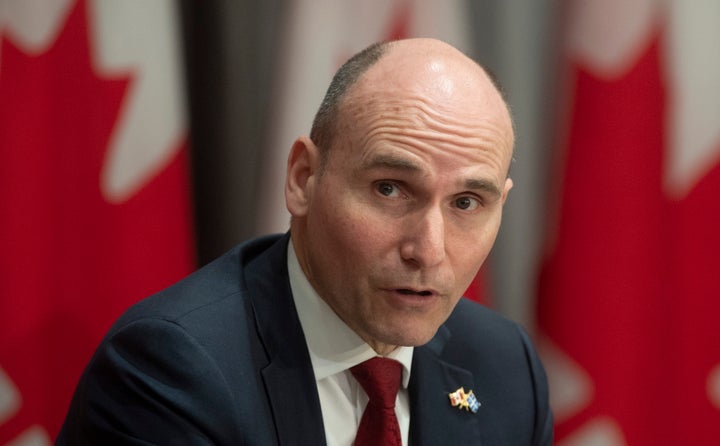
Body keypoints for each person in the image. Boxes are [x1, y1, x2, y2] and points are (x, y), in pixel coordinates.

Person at [57, 38, 553, 445]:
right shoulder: (170, 371)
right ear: (303, 178)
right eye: (389, 188)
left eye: (466, 203)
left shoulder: (505, 366)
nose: (428, 250)